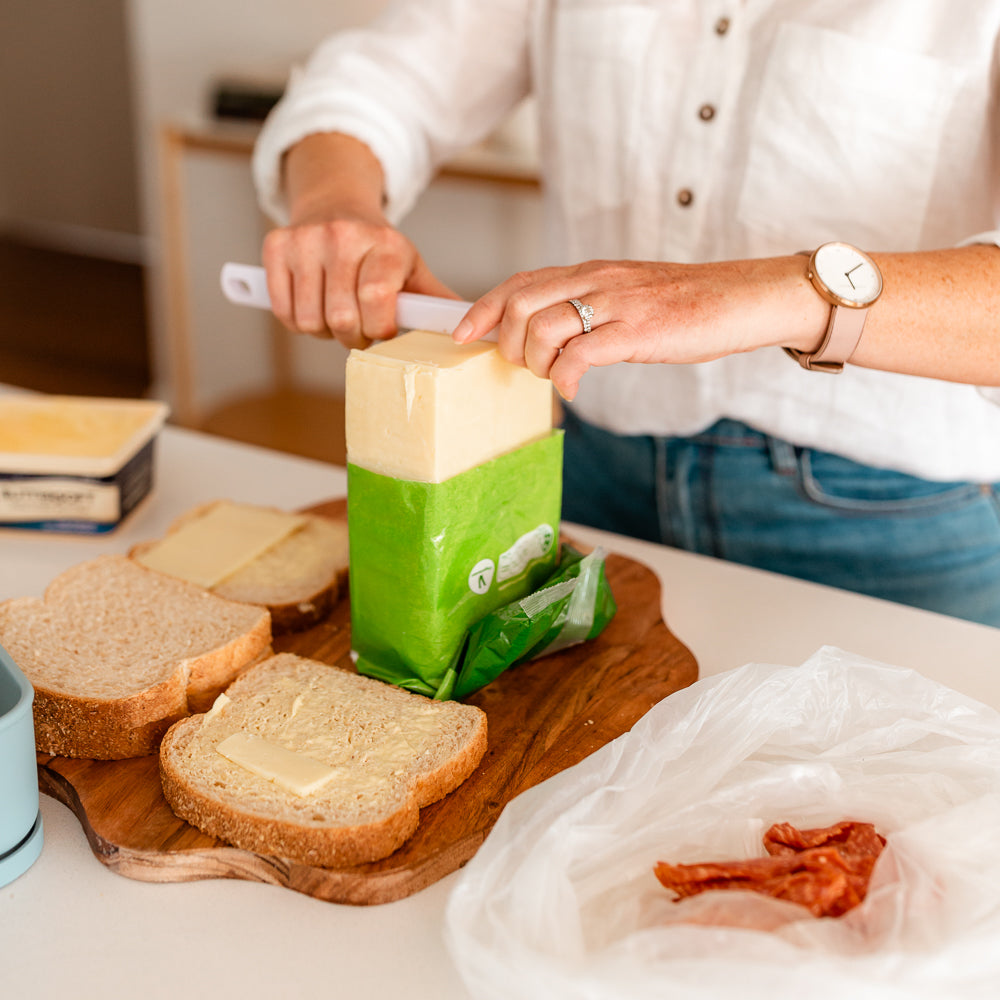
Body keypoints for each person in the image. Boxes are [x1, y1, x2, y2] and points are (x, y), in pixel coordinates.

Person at [251, 1, 1000, 626]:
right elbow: (383, 82)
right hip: (586, 471)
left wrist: (770, 293)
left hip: (894, 521)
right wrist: (334, 202)